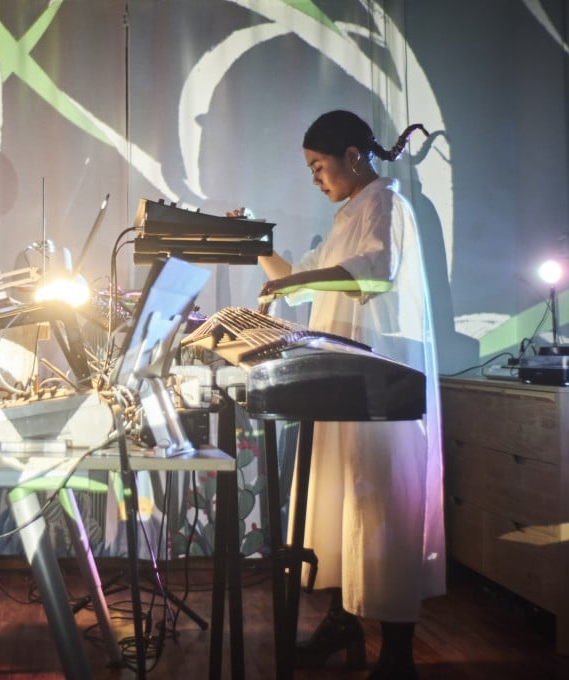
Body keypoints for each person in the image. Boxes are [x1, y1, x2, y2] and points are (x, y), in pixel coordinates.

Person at [256, 111, 444, 680]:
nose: (315, 178)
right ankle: (343, 619)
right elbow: (298, 278)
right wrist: (258, 247)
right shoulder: (346, 218)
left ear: (353, 157)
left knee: (385, 501)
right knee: (342, 499)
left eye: (319, 165)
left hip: (383, 378)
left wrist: (291, 282)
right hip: (342, 381)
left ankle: (398, 652)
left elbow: (377, 271)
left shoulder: (389, 205)